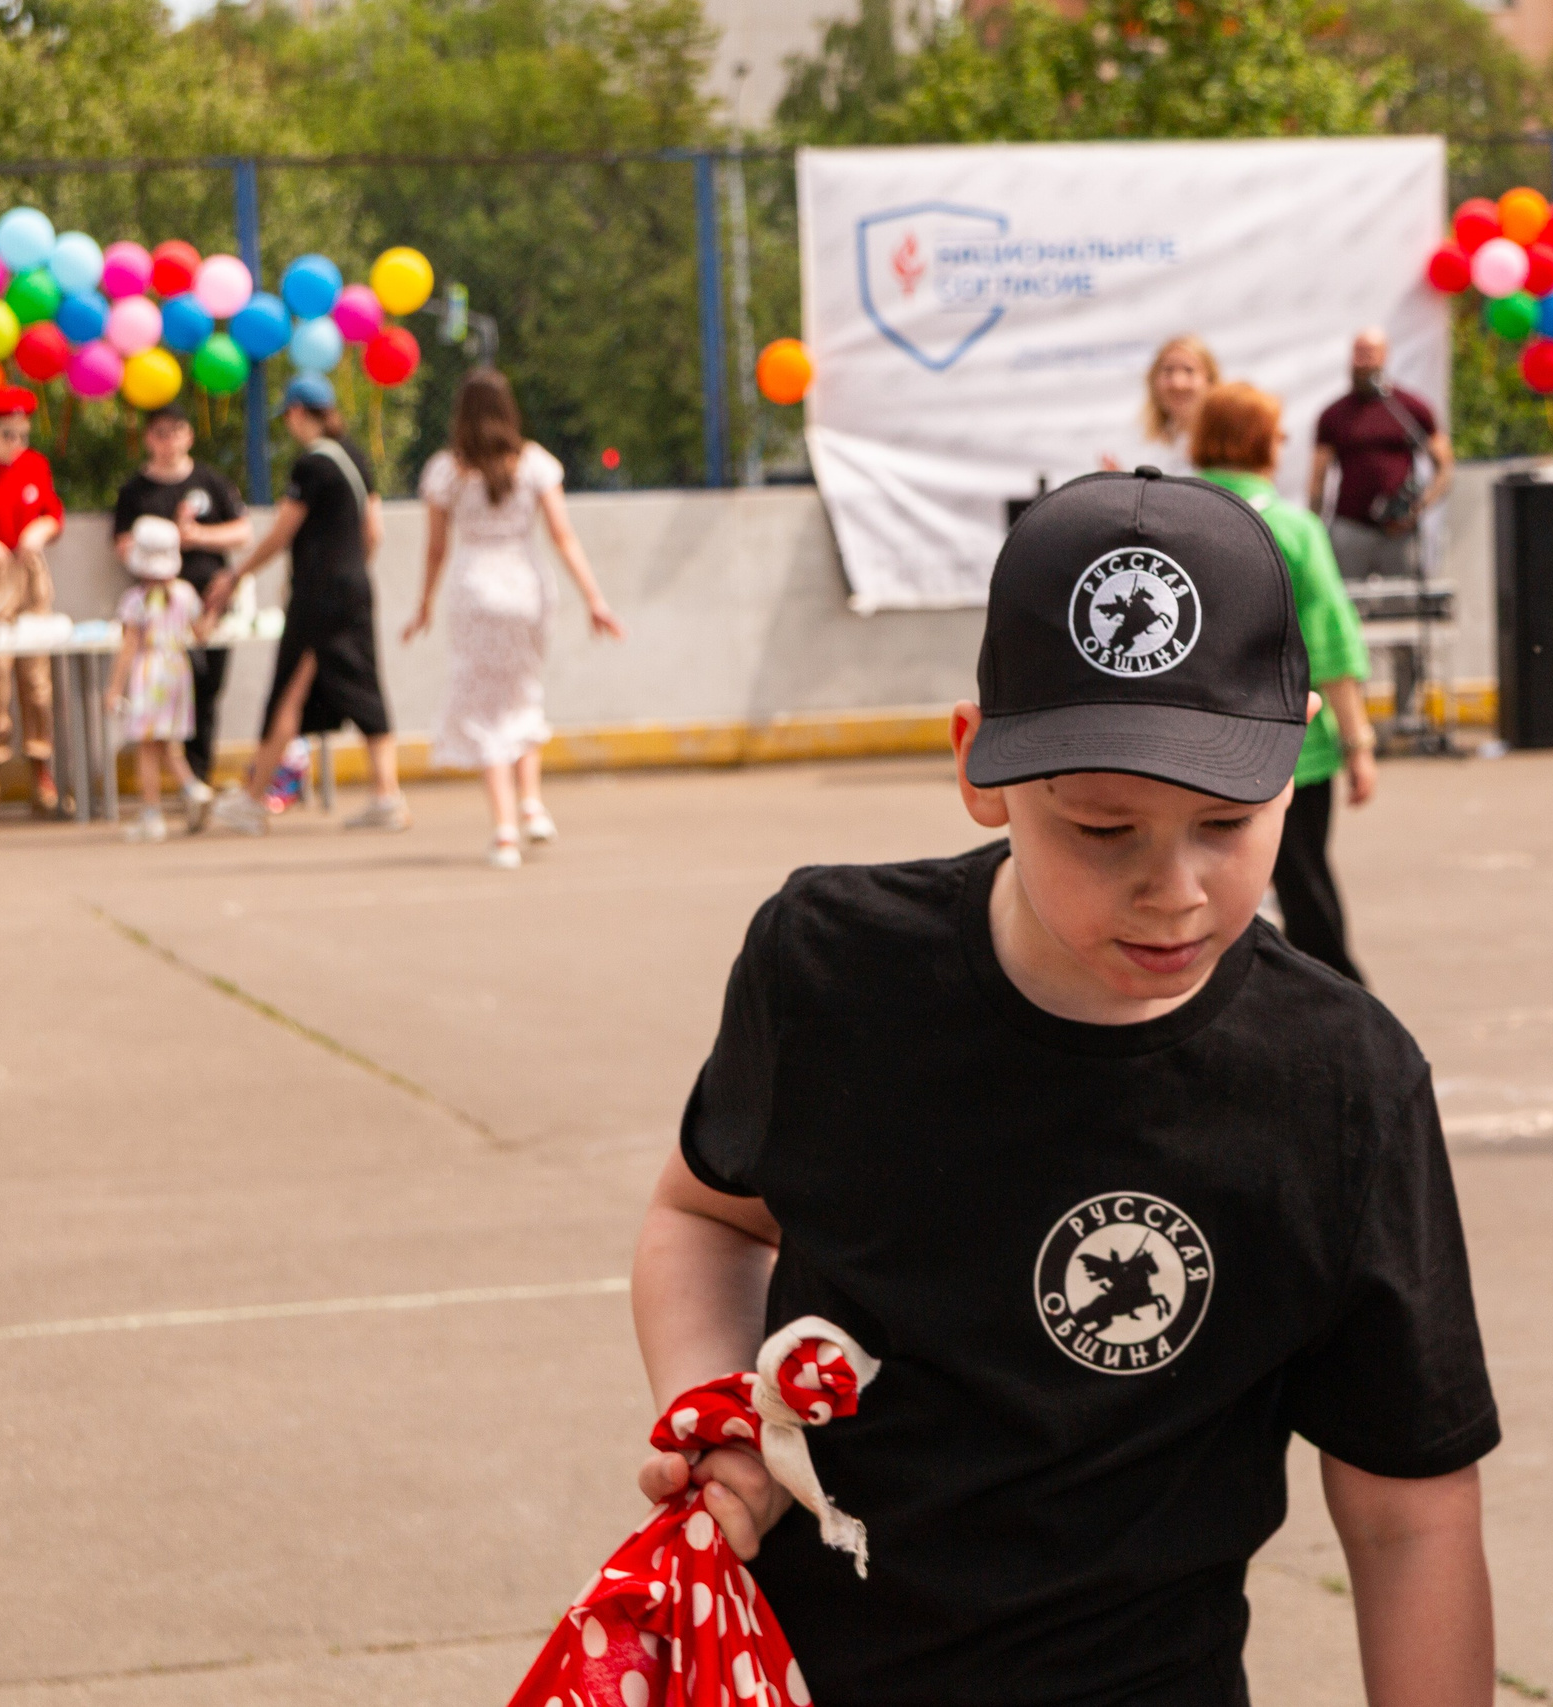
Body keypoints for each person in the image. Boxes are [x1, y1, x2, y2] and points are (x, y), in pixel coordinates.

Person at [632, 469, 1498, 1707]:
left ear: (1298, 751)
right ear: (979, 764)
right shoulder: (827, 967)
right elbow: (703, 1216)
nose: (1176, 886)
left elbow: (1409, 1515)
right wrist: (711, 1405)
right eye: (1102, 829)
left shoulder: (1342, 1082)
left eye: (1227, 821)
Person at [403, 369, 624, 870]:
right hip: (527, 588)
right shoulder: (535, 463)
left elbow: (436, 549)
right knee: (522, 693)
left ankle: (504, 831)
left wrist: (423, 606)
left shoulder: (446, 472)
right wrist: (595, 598)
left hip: (474, 590)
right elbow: (564, 537)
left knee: (484, 708)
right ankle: (532, 805)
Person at [1195, 381, 1378, 983]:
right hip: (1291, 745)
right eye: (1276, 434)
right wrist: (1358, 741)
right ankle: (1343, 1002)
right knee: (1304, 883)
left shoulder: (1177, 520)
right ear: (1259, 443)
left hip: (1194, 742)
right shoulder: (1294, 529)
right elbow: (1330, 640)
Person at [204, 375, 408, 835]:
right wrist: (352, 568)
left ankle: (253, 800)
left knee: (289, 688)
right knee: (363, 684)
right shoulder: (355, 458)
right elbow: (373, 531)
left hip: (317, 594)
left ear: (298, 412)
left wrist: (238, 575)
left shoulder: (311, 465)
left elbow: (281, 533)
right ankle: (387, 793)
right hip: (355, 587)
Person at [112, 403, 251, 794]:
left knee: (206, 689)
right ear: (148, 439)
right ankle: (178, 786)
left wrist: (197, 537)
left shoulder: (211, 481)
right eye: (160, 432)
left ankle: (198, 775)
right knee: (166, 700)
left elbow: (243, 532)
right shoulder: (135, 490)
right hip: (161, 614)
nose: (168, 440)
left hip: (205, 601)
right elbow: (121, 544)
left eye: (175, 431)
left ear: (188, 435)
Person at [1311, 327, 1454, 583]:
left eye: (1369, 353)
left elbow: (1444, 467)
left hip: (1399, 534)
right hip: (1349, 529)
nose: (1362, 360)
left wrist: (1417, 509)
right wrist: (1313, 531)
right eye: (1358, 353)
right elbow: (1317, 479)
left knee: (1404, 607)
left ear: (1385, 356)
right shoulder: (1333, 415)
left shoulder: (1409, 409)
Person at [0, 385, 62, 821]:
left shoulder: (35, 466)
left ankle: (42, 774)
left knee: (37, 680)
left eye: (22, 435)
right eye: (7, 434)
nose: (16, 444)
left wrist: (42, 530)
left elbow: (53, 511)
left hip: (30, 581)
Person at [104, 517, 212, 843]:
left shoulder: (136, 600)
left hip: (149, 672)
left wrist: (113, 687)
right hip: (178, 670)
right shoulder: (186, 593)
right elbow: (201, 633)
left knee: (147, 747)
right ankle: (193, 789)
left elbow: (129, 646)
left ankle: (151, 814)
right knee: (166, 741)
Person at [1099, 333, 1217, 475]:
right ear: (1154, 381)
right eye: (1168, 371)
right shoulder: (1145, 442)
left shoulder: (1224, 445)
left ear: (1210, 380)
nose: (1177, 383)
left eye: (1189, 370)